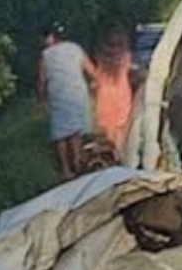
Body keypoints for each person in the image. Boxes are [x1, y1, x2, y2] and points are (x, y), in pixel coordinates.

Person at [36, 22, 93, 182]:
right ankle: (78, 162)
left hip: (58, 95)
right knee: (75, 130)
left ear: (50, 37)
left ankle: (65, 169)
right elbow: (90, 69)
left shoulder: (46, 55)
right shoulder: (75, 48)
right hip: (78, 93)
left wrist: (41, 100)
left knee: (60, 134)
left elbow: (41, 80)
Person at [88, 26, 135, 157]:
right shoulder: (125, 56)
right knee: (121, 130)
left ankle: (110, 155)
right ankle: (119, 156)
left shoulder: (101, 57)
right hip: (121, 94)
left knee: (109, 129)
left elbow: (96, 79)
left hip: (105, 94)